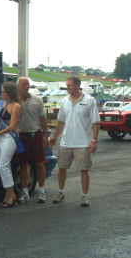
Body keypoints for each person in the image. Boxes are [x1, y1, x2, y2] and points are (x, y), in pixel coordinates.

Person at [49, 76, 100, 207]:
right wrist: (54, 137)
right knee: (62, 168)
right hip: (66, 142)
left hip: (83, 143)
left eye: (70, 85)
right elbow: (60, 122)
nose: (67, 88)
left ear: (78, 85)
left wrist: (93, 140)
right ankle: (60, 193)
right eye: (67, 85)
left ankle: (84, 196)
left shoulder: (89, 101)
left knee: (84, 170)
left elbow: (95, 123)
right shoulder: (65, 101)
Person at [16, 77, 50, 204]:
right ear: (18, 86)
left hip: (36, 135)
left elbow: (43, 119)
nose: (26, 86)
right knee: (23, 164)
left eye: (28, 84)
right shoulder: (15, 101)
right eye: (24, 84)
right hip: (21, 137)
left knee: (39, 163)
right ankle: (25, 192)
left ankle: (41, 191)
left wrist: (46, 136)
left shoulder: (37, 100)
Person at [0, 82, 21, 208]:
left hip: (9, 137)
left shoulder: (16, 106)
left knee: (3, 166)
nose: (1, 93)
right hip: (0, 137)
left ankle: (12, 195)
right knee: (2, 167)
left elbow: (12, 126)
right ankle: (9, 195)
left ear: (9, 92)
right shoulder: (1, 104)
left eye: (3, 91)